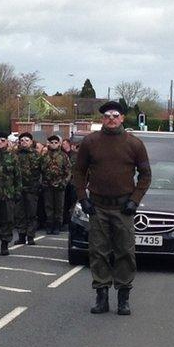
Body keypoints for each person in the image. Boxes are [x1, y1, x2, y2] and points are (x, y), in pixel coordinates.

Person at [72, 101, 151, 316]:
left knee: (125, 252)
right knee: (98, 252)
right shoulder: (90, 142)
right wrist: (83, 198)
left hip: (123, 207)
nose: (111, 119)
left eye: (116, 115)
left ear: (123, 118)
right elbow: (78, 172)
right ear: (102, 119)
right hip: (97, 207)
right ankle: (101, 296)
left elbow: (145, 175)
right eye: (107, 115)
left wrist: (134, 200)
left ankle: (123, 297)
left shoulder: (134, 144)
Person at [41, 135, 71, 236]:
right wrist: (42, 182)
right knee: (48, 206)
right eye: (52, 142)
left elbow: (68, 171)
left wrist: (64, 182)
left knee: (59, 207)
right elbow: (40, 170)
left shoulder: (63, 156)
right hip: (47, 185)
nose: (53, 144)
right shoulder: (44, 156)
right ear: (48, 143)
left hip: (59, 185)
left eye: (56, 142)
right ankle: (49, 224)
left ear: (59, 144)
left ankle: (58, 225)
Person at [15, 133, 41, 245]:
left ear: (31, 142)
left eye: (26, 140)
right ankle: (21, 235)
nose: (24, 142)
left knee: (31, 213)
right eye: (22, 140)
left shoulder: (36, 155)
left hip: (32, 188)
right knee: (20, 213)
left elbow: (41, 172)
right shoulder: (15, 155)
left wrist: (38, 185)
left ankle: (30, 236)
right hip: (19, 188)